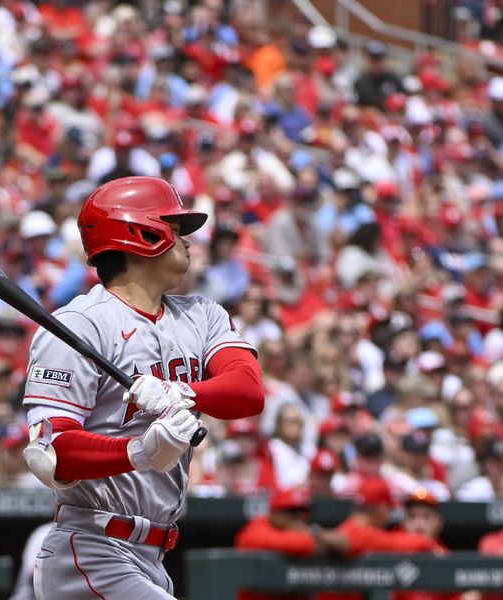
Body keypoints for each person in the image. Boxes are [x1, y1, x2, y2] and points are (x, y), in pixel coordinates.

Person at [23, 177, 264, 599]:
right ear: (142, 233)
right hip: (90, 547)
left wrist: (182, 393)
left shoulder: (201, 314)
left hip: (154, 555)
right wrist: (140, 452)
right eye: (175, 227)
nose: (188, 240)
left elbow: (247, 391)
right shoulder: (81, 324)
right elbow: (51, 452)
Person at [234, 487, 347, 600]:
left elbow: (343, 544)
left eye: (303, 511)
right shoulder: (256, 528)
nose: (299, 517)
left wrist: (310, 532)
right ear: (275, 513)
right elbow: (295, 544)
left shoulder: (308, 531)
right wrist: (313, 540)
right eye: (291, 511)